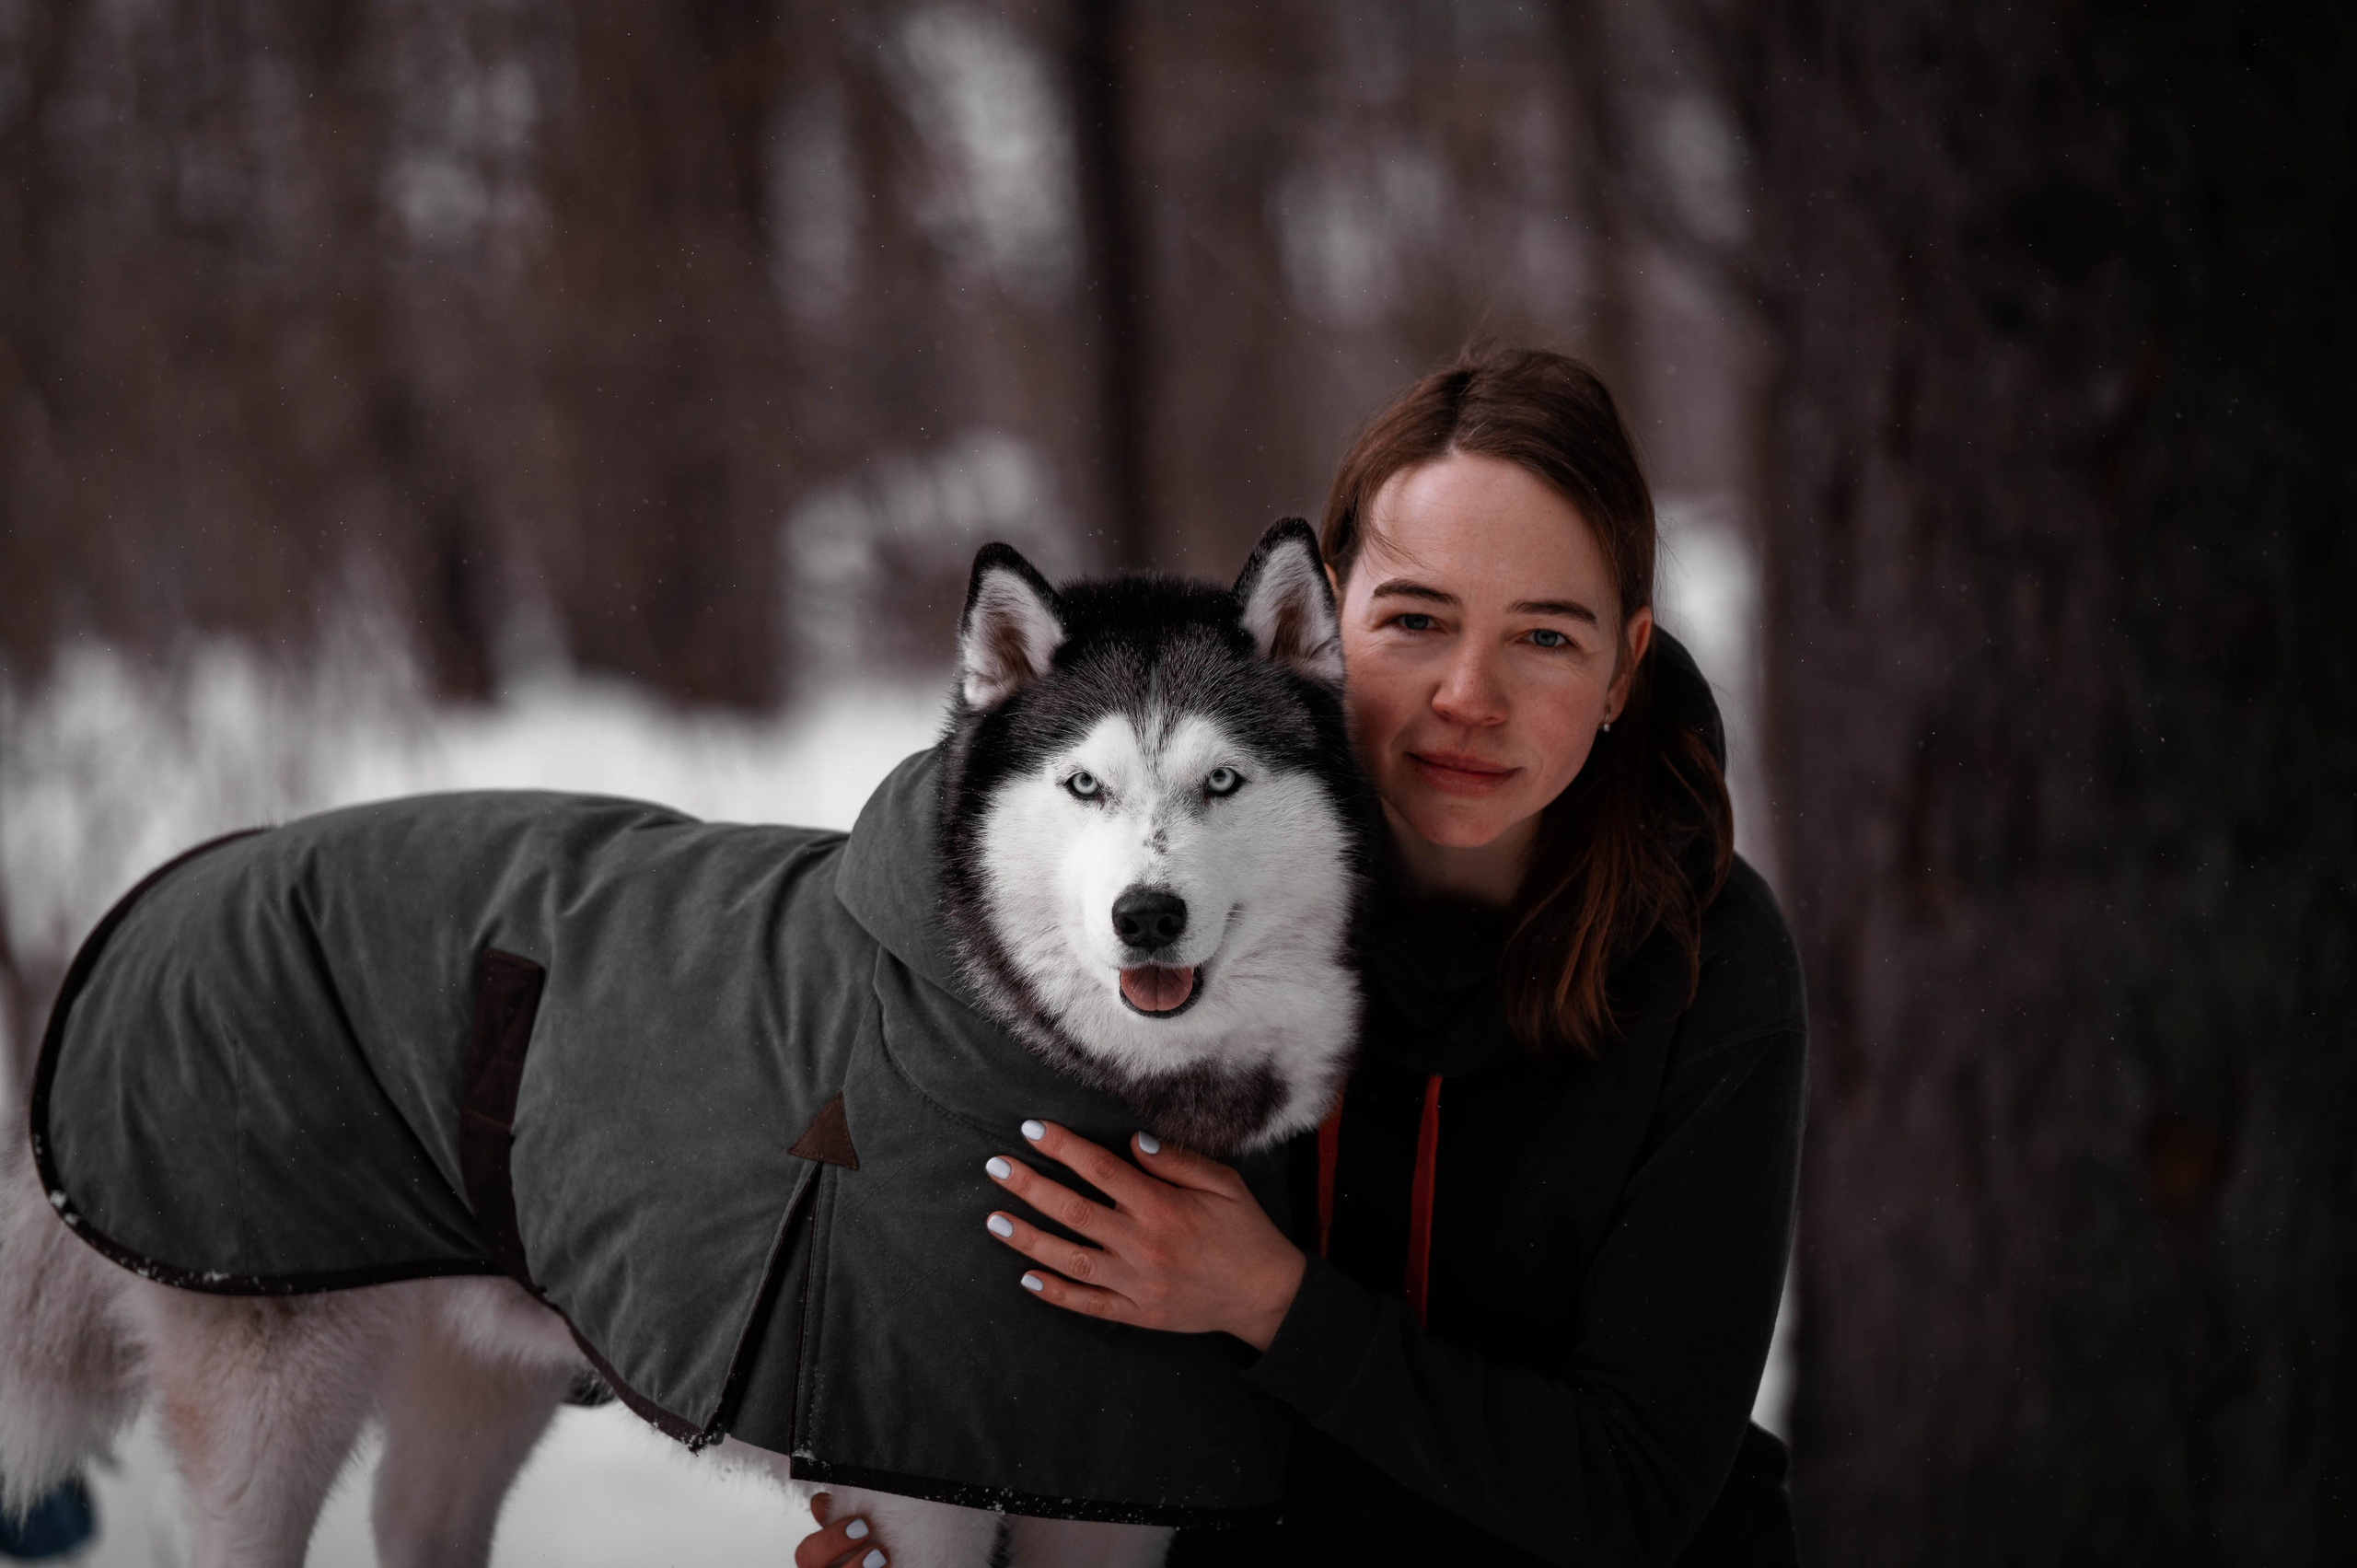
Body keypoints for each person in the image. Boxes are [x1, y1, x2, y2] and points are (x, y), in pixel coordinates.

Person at [800, 346, 1805, 1567]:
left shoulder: (1709, 966)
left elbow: (1637, 1488)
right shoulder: (1169, 912)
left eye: (1544, 636)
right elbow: (1020, 1345)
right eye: (1417, 619)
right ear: (1323, 623)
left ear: (1622, 667)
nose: (1469, 693)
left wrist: (1270, 1303)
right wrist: (931, 1532)